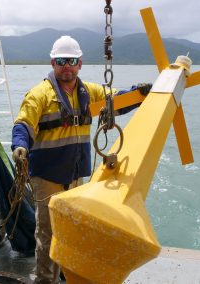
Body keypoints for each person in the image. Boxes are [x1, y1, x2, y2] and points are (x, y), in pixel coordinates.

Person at [11, 35, 151, 284]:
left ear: (80, 64)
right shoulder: (39, 95)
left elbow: (116, 101)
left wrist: (140, 94)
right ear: (53, 62)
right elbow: (24, 123)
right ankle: (45, 280)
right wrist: (20, 146)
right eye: (62, 60)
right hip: (47, 178)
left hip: (76, 176)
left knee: (73, 231)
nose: (67, 65)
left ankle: (68, 273)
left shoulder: (90, 92)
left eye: (71, 60)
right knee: (49, 233)